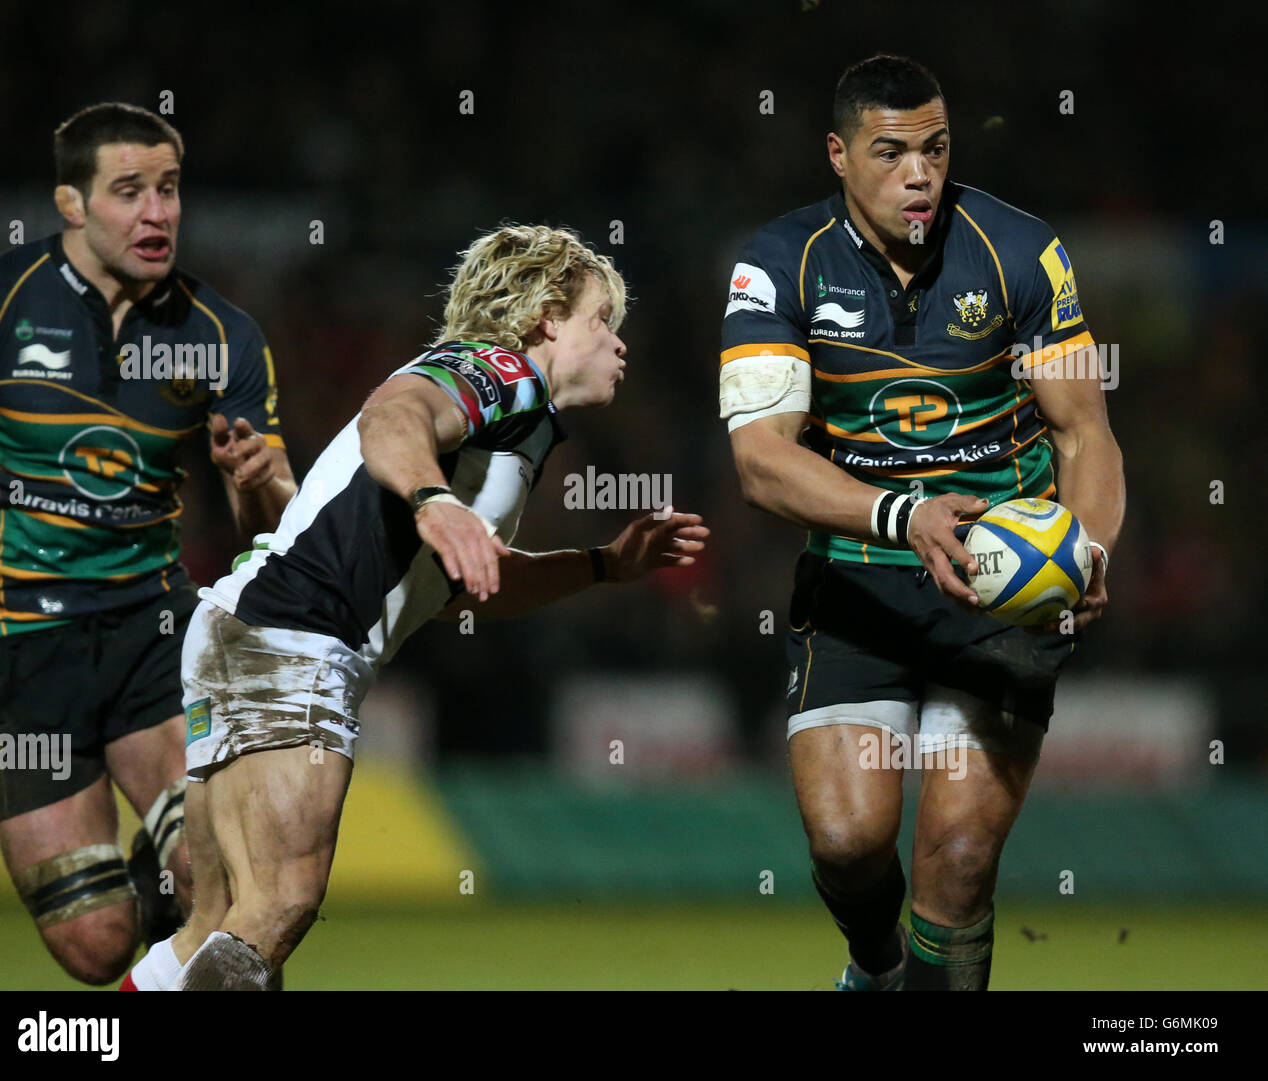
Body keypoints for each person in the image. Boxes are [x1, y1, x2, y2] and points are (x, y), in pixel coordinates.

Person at [122, 223, 708, 990]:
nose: (617, 342)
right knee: (278, 904)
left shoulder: (520, 430)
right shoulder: (495, 369)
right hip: (295, 643)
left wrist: (601, 564)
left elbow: (465, 588)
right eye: (603, 319)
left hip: (250, 633)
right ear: (546, 317)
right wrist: (434, 501)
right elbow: (391, 415)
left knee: (218, 920)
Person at [721, 55, 1124, 990]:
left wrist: (1089, 549)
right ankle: (878, 969)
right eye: (892, 151)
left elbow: (1086, 434)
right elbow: (760, 460)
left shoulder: (1021, 252)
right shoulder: (776, 264)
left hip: (1004, 592)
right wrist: (903, 516)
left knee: (957, 856)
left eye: (936, 150)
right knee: (848, 842)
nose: (920, 175)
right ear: (838, 154)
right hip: (860, 578)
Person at [0, 102, 295, 985]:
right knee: (96, 942)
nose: (157, 213)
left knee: (220, 876)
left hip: (153, 635)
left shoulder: (219, 336)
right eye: (129, 192)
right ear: (72, 204)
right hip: (13, 646)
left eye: (170, 189)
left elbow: (274, 537)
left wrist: (259, 477)